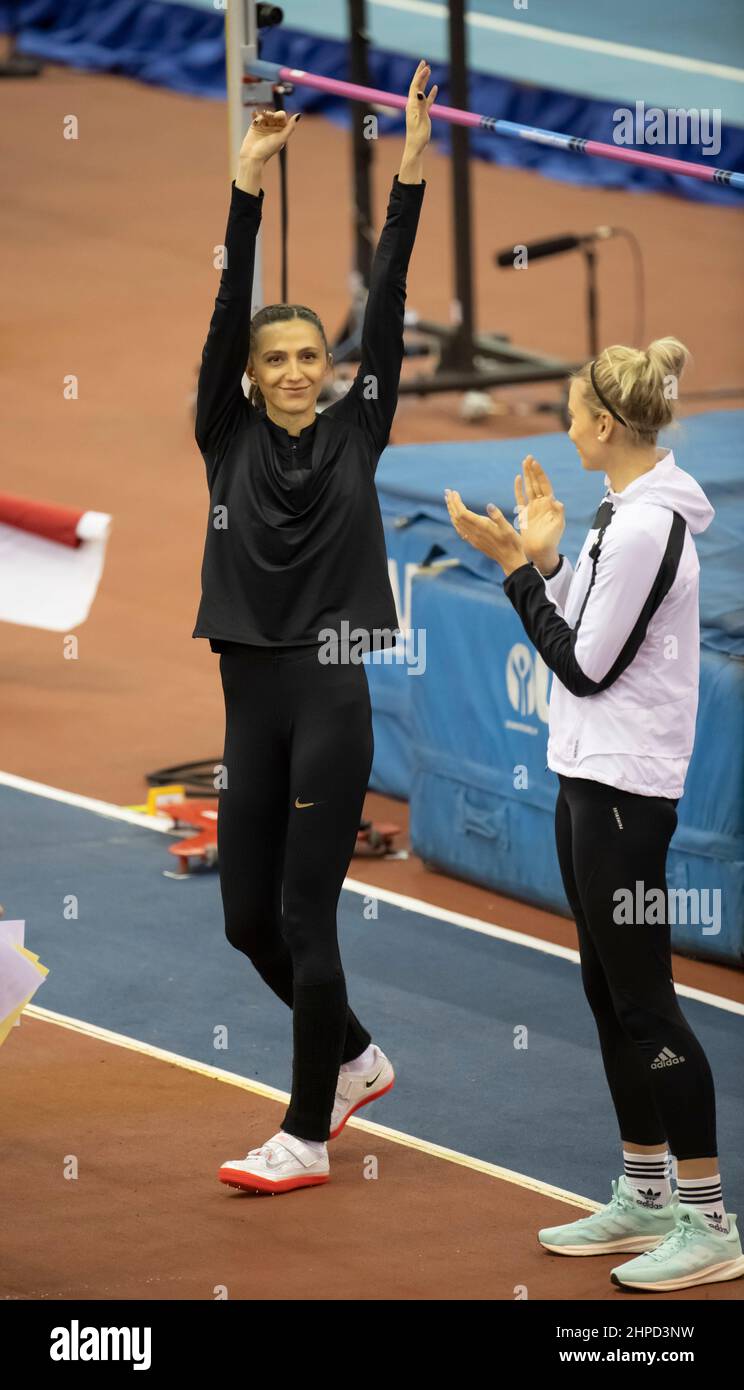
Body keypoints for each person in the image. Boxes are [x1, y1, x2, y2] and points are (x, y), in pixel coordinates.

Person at [445, 340, 744, 1292]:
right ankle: (648, 1193)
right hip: (588, 774)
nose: (563, 425)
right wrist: (546, 557)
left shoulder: (653, 525)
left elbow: (582, 665)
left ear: (606, 425)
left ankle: (709, 1222)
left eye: (571, 411)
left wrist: (514, 575)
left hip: (626, 793)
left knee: (648, 1002)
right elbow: (590, 625)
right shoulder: (625, 515)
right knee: (608, 998)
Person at [193, 63, 436, 1194]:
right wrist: (246, 184)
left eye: (309, 357)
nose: (295, 370)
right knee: (248, 922)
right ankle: (352, 1056)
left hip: (332, 689)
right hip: (252, 698)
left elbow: (384, 307)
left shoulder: (358, 432)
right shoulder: (223, 434)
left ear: (331, 372)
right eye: (275, 358)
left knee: (306, 908)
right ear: (249, 376)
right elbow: (225, 305)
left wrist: (411, 174)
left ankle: (303, 1132)